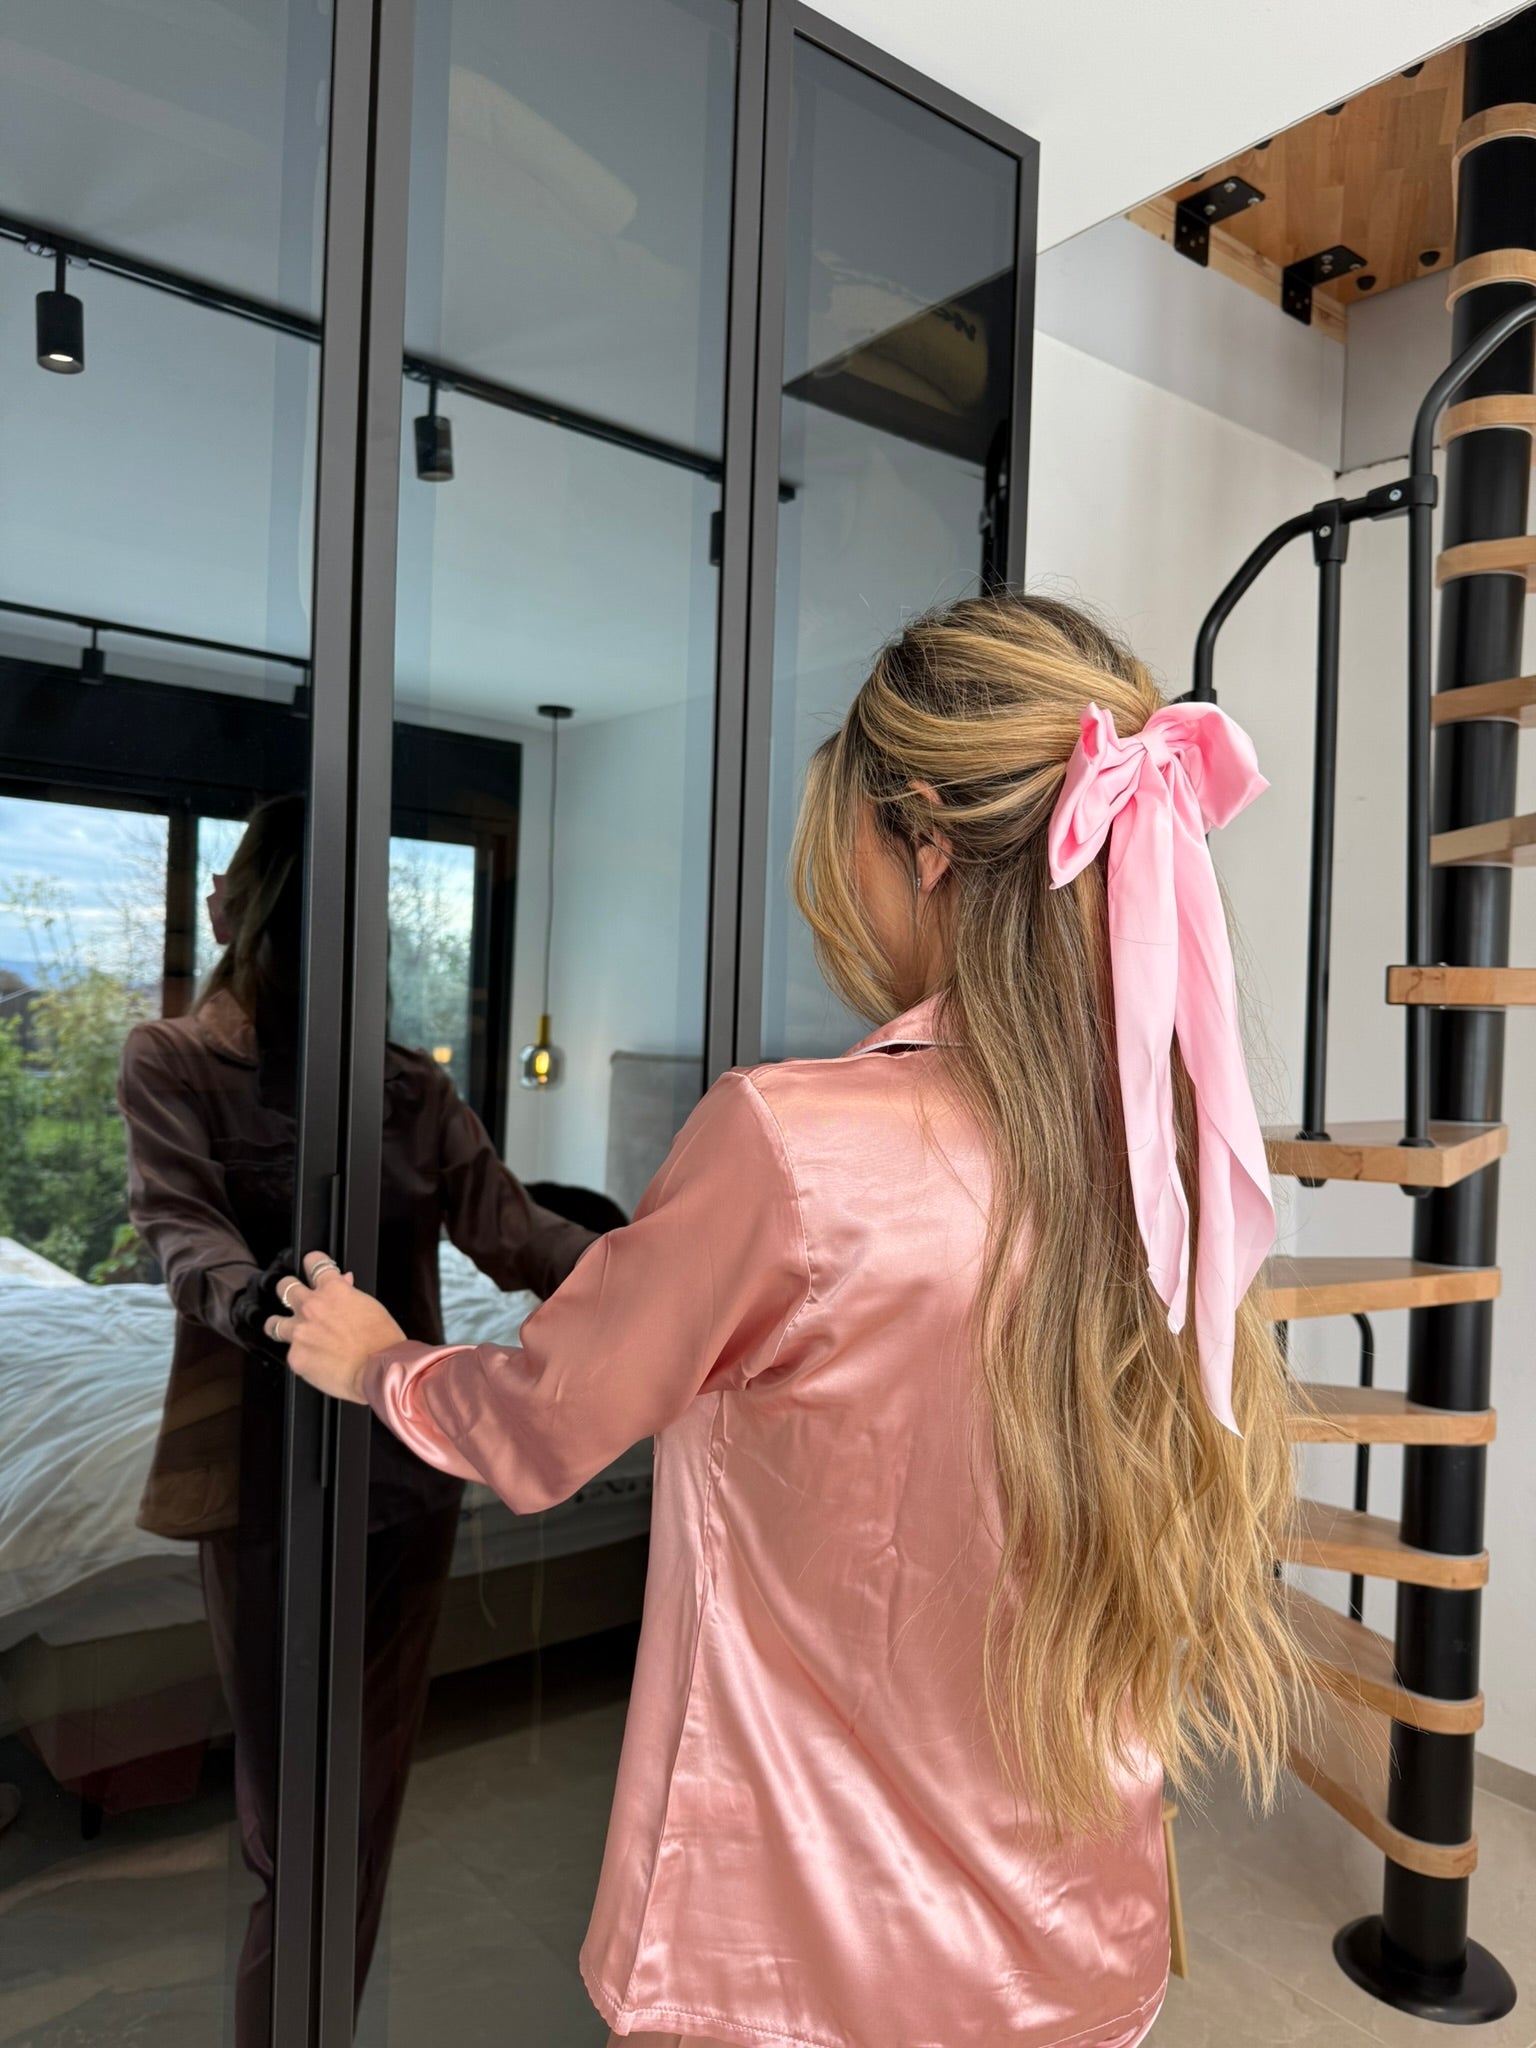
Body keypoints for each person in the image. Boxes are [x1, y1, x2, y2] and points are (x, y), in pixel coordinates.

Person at [272, 594, 1305, 2048]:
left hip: (806, 1976)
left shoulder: (794, 1144)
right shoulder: (1169, 1156)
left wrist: (382, 1360)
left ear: (926, 840)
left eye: (852, 844)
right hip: (1088, 1960)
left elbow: (548, 1422)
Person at [117, 794, 595, 2046]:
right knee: (290, 1821)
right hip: (261, 1475)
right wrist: (262, 1298)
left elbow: (514, 1230)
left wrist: (654, 1274)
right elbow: (180, 1227)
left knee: (364, 1805)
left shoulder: (408, 1088)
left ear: (236, 903)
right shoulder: (172, 1061)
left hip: (402, 1477)